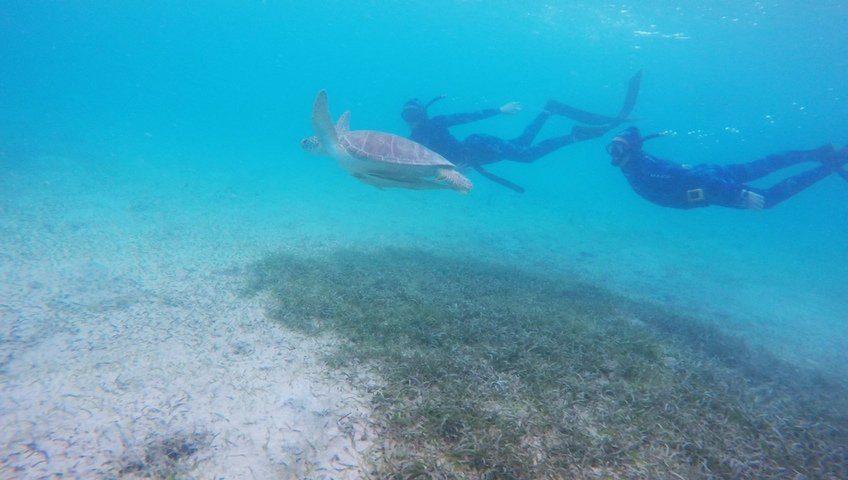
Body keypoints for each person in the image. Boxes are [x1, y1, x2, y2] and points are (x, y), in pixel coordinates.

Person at [402, 71, 643, 193]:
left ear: (423, 114)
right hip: (478, 156)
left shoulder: (437, 122)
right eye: (406, 117)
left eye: (413, 115)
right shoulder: (412, 141)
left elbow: (467, 116)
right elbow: (421, 165)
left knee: (527, 155)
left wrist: (498, 110)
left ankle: (573, 135)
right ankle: (550, 110)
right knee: (523, 142)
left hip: (479, 146)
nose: (410, 121)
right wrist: (451, 171)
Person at [605, 126, 848, 210]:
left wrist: (737, 194)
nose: (614, 156)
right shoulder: (638, 163)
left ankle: (829, 165)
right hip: (711, 175)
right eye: (611, 149)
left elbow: (691, 176)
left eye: (618, 150)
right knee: (759, 167)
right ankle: (815, 154)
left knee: (767, 199)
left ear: (633, 150)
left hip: (712, 186)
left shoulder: (643, 169)